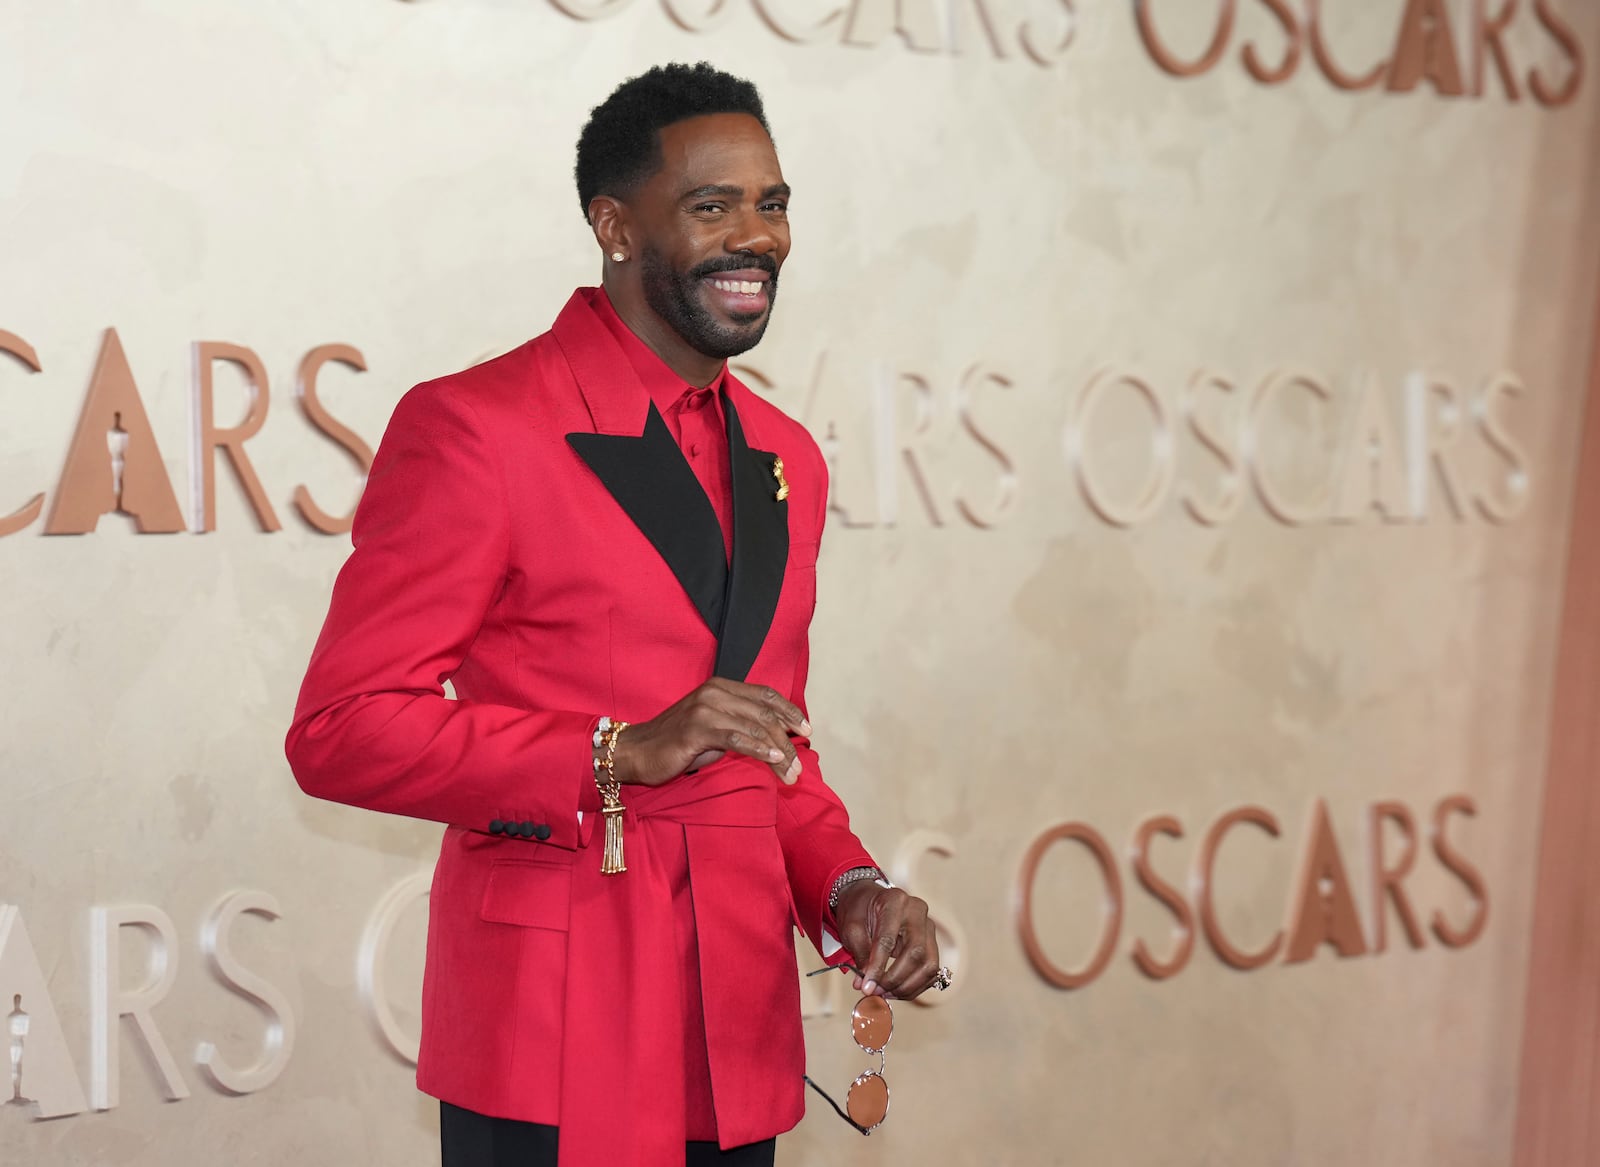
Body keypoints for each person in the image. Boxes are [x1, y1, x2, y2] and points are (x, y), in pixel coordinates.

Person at [285, 63, 947, 1167]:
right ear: (613, 225)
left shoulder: (787, 459)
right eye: (712, 206)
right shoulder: (478, 426)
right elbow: (341, 727)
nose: (757, 237)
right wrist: (617, 751)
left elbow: (764, 739)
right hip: (551, 1032)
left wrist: (851, 886)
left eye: (772, 204)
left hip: (733, 1032)